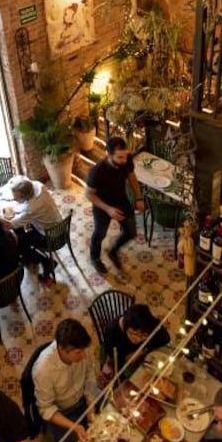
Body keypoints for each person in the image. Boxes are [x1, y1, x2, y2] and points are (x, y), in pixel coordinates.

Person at [0, 178, 61, 280]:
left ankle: (47, 262)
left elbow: (9, 225)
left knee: (16, 243)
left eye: (16, 198)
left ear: (25, 196)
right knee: (20, 229)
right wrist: (28, 221)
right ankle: (29, 256)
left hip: (50, 234)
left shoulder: (31, 208)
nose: (14, 199)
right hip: (56, 222)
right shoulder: (37, 185)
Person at [32, 318, 99, 442]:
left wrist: (91, 405)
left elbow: (90, 375)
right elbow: (46, 408)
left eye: (84, 350)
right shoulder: (43, 370)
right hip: (64, 412)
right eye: (78, 353)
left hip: (84, 398)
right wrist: (75, 427)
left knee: (112, 411)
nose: (84, 356)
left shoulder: (81, 347)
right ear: (62, 349)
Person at [85, 136, 144, 274]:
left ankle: (113, 252)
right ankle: (95, 258)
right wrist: (108, 209)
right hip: (102, 206)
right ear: (109, 155)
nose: (124, 160)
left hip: (121, 200)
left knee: (131, 232)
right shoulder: (97, 172)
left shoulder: (127, 160)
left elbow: (131, 177)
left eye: (125, 156)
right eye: (120, 157)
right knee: (100, 234)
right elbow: (89, 194)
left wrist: (139, 198)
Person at [101, 303, 170, 381]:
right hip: (121, 359)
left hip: (139, 356)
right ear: (125, 325)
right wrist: (110, 364)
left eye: (143, 335)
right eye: (134, 334)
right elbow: (112, 355)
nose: (138, 339)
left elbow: (165, 338)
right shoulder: (112, 330)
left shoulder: (148, 322)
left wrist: (141, 351)